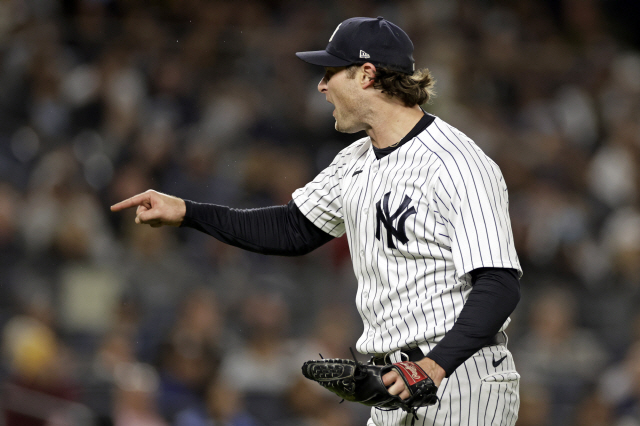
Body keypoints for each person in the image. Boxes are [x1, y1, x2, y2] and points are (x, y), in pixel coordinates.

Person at [112, 16, 522, 426]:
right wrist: (187, 212)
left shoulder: (457, 164)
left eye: (330, 73)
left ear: (367, 74)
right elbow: (292, 229)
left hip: (460, 379)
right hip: (393, 383)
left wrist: (433, 366)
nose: (322, 86)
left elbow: (499, 283)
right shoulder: (354, 161)